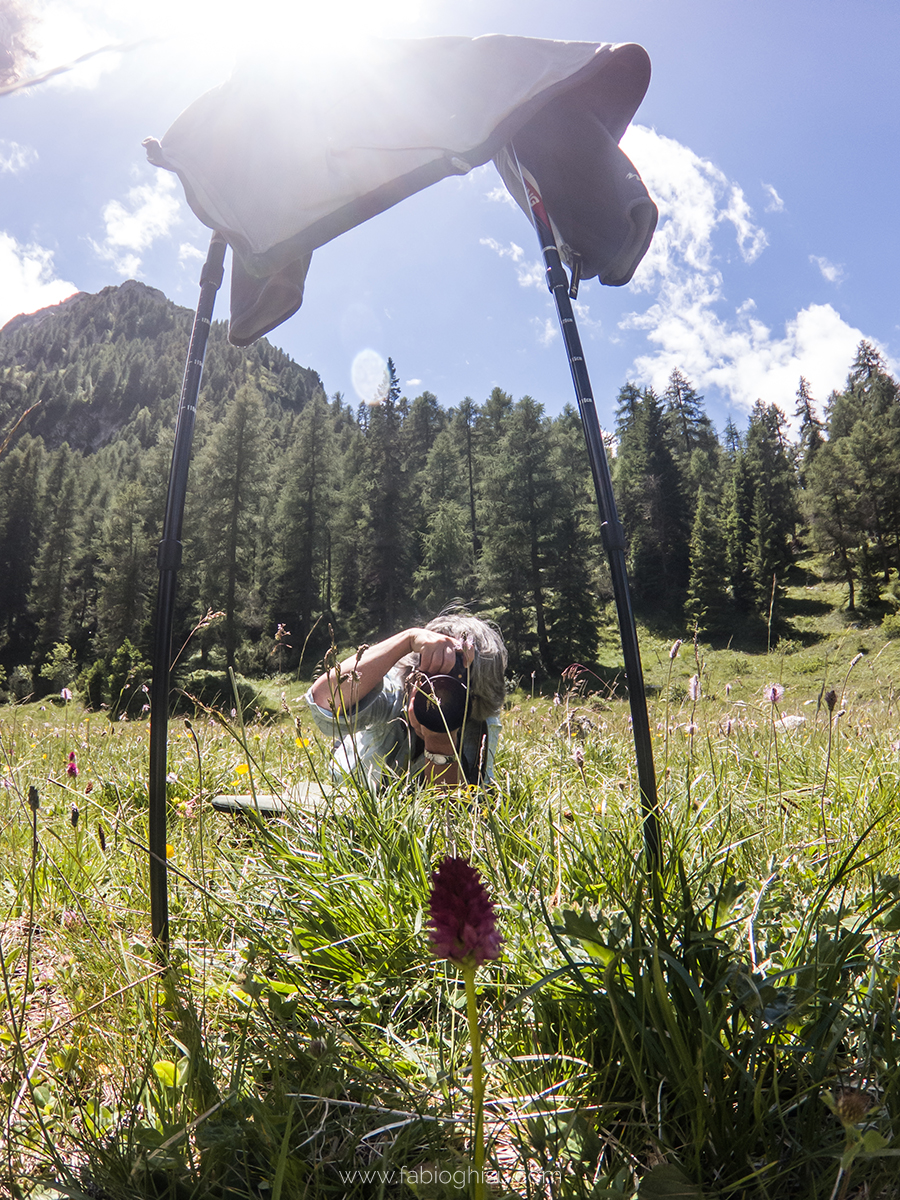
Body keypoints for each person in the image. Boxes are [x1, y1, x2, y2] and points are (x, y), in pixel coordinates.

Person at [305, 613, 507, 791]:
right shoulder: (396, 687)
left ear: (477, 694)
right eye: (429, 679)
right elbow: (323, 701)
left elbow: (452, 812)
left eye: (454, 684)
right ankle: (345, 740)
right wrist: (407, 639)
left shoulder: (481, 723)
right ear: (411, 674)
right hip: (349, 777)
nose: (437, 696)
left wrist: (441, 743)